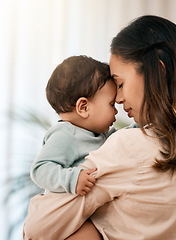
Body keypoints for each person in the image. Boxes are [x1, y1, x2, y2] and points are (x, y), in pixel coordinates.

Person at [23, 15, 176, 240]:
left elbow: (37, 229)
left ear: (159, 71)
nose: (118, 98)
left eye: (121, 83)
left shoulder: (129, 147)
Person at [24, 55, 118, 239]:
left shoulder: (100, 133)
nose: (116, 111)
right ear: (83, 107)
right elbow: (40, 169)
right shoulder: (65, 134)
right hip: (64, 214)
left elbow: (122, 139)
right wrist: (72, 179)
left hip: (87, 212)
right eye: (111, 104)